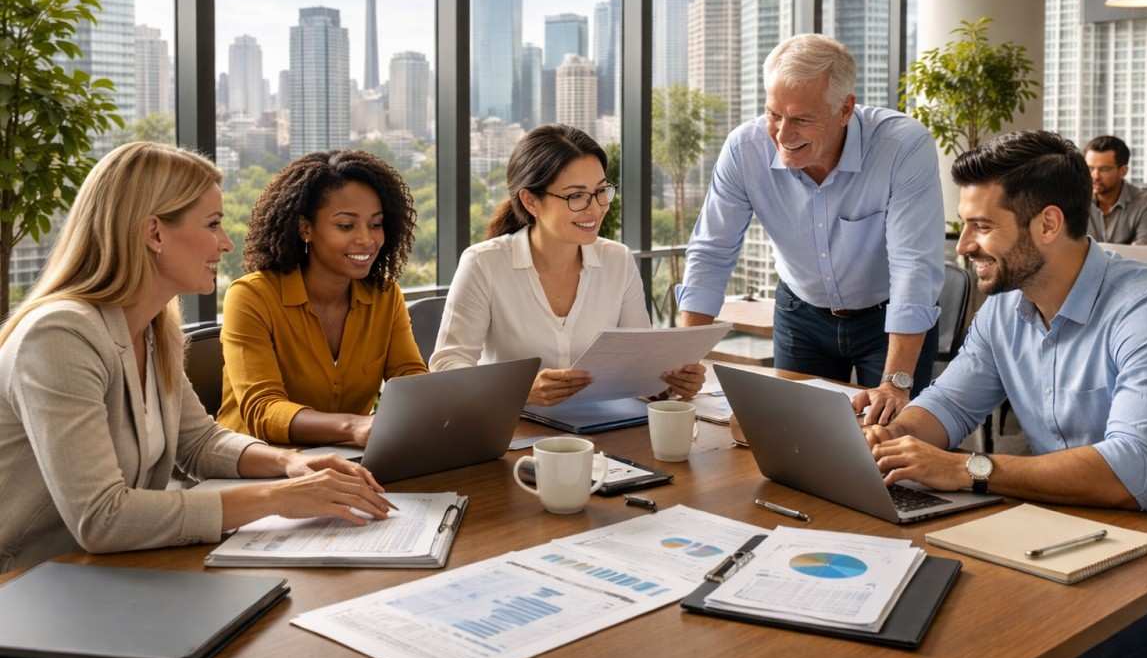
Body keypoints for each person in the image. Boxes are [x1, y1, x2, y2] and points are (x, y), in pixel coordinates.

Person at [863, 130, 1147, 658]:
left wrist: (966, 469)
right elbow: (947, 406)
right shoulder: (1003, 311)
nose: (964, 246)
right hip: (1071, 534)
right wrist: (890, 438)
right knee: (924, 614)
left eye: (982, 226)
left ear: (1047, 224)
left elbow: (1133, 475)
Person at [0, 143, 393, 574]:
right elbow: (102, 517)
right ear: (154, 234)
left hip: (101, 571)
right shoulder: (59, 336)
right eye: (213, 224)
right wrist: (278, 498)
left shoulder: (153, 327)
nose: (226, 243)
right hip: (24, 583)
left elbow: (199, 442)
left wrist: (289, 462)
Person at [677, 33, 943, 426]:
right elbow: (711, 252)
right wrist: (685, 360)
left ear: (845, 109)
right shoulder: (744, 149)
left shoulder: (902, 145)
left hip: (887, 321)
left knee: (893, 438)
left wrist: (896, 381)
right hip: (801, 315)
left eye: (802, 119)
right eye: (774, 114)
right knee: (794, 437)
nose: (783, 135)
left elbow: (913, 266)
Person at [430, 124, 704, 405]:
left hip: (603, 424)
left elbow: (640, 365)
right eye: (576, 196)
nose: (595, 208)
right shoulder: (483, 264)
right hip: (514, 426)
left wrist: (669, 381)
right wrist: (520, 390)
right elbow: (447, 367)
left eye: (601, 191)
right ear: (530, 201)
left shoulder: (617, 260)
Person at [218, 150, 427, 447]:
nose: (367, 239)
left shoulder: (384, 296)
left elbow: (410, 378)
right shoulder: (251, 297)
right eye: (346, 226)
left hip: (347, 459)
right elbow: (262, 409)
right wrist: (352, 427)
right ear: (306, 229)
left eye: (376, 224)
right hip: (257, 461)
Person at [1083, 135, 1147, 246]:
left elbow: (1144, 249)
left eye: (1104, 169)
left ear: (1123, 171)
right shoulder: (1076, 198)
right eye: (1090, 168)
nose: (1095, 176)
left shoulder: (1145, 202)